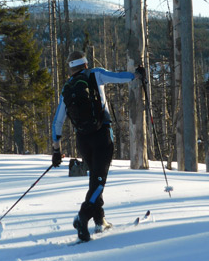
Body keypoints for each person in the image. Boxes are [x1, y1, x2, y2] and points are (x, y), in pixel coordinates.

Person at [51, 50, 145, 242]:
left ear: (71, 69)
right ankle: (83, 216)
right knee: (99, 180)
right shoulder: (96, 74)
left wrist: (56, 150)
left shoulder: (67, 88)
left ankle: (100, 219)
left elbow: (57, 122)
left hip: (83, 140)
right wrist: (137, 74)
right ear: (86, 64)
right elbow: (119, 77)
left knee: (95, 178)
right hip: (102, 134)